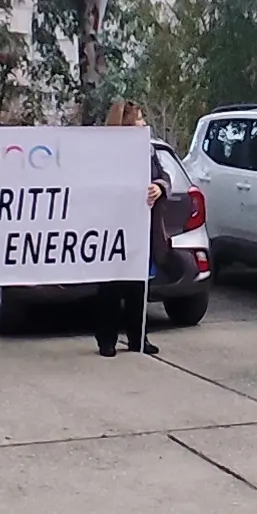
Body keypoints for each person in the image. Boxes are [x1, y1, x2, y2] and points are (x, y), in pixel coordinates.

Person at [96, 99, 165, 357]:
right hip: (111, 228)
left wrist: (158, 187)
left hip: (140, 227)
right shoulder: (104, 152)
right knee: (111, 287)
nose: (144, 123)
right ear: (125, 124)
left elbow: (163, 176)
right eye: (139, 119)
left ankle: (138, 338)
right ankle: (107, 340)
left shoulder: (148, 151)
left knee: (139, 286)